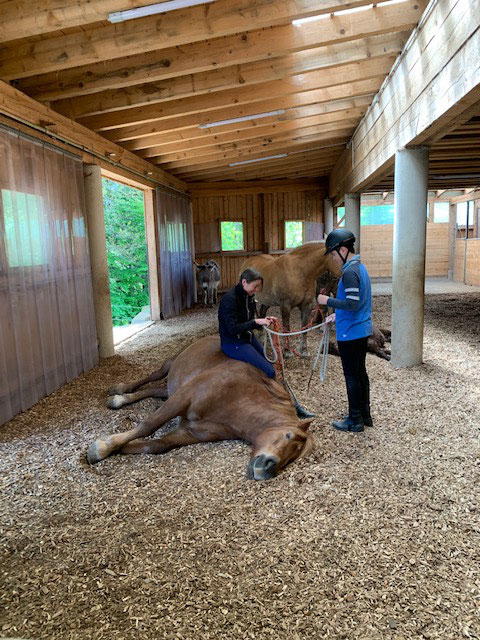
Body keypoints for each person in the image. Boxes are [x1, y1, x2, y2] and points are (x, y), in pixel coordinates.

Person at [218, 267, 315, 419]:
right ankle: (288, 406)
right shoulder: (230, 299)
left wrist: (265, 321)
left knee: (271, 364)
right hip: (233, 342)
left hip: (246, 338)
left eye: (258, 287)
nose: (256, 290)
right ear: (244, 282)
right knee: (269, 371)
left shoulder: (248, 296)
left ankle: (287, 402)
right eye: (254, 286)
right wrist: (256, 322)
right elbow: (232, 329)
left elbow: (249, 321)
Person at [317, 228, 372, 433]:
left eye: (333, 254)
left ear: (342, 250)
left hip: (351, 332)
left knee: (351, 376)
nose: (334, 259)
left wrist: (327, 301)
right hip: (360, 328)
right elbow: (357, 303)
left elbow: (352, 303)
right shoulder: (360, 268)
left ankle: (354, 420)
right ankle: (365, 415)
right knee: (360, 374)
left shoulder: (349, 272)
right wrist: (336, 315)